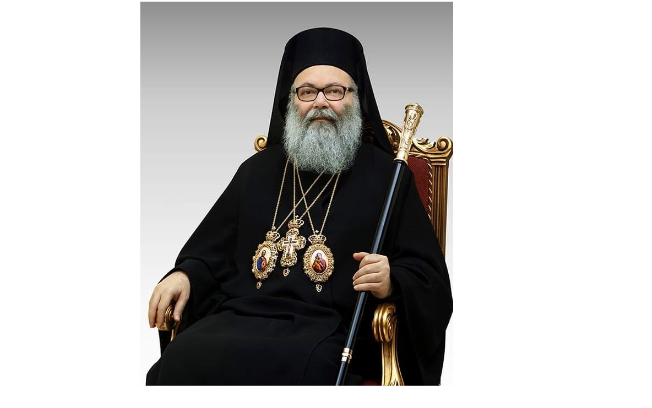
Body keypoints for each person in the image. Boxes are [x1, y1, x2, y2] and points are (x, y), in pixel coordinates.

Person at [146, 27, 452, 385]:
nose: (320, 102)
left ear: (357, 98)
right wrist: (185, 274)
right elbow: (211, 252)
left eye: (335, 91)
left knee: (304, 367)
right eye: (307, 92)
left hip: (329, 331)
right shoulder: (255, 171)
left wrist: (392, 280)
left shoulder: (388, 176)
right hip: (240, 317)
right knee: (181, 357)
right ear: (291, 101)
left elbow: (428, 276)